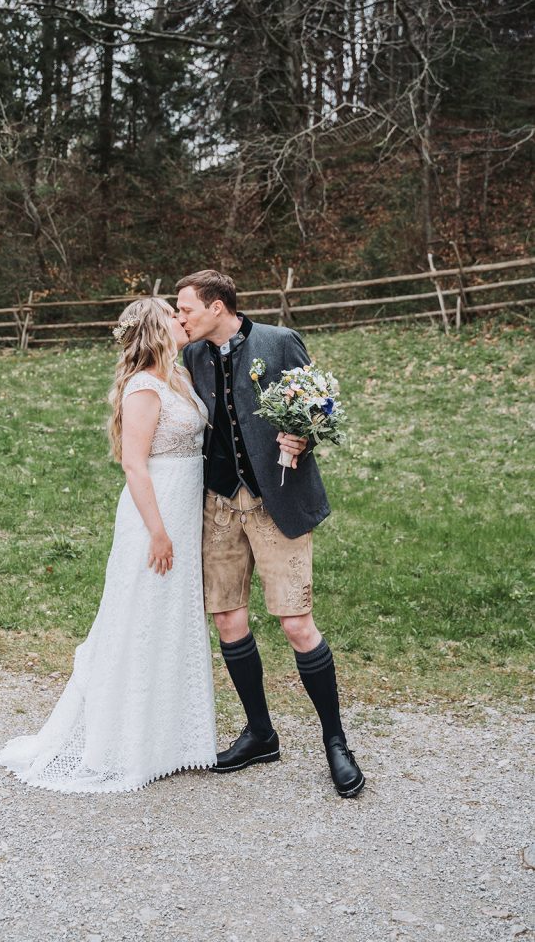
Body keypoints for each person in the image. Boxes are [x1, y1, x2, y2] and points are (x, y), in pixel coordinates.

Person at [0, 297, 217, 792]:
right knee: (138, 616)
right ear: (156, 329)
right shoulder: (143, 387)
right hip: (155, 513)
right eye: (172, 315)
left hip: (184, 510)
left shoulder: (178, 376)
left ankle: (173, 740)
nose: (181, 319)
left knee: (172, 617)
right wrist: (158, 531)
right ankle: (123, 742)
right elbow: (134, 464)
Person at [176, 269, 365, 798]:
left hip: (275, 502)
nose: (181, 317)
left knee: (297, 624)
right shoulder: (192, 356)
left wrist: (303, 439)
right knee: (228, 619)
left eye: (186, 308)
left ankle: (336, 742)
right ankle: (260, 734)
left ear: (217, 306)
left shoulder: (279, 342)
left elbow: (319, 408)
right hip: (218, 505)